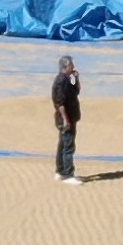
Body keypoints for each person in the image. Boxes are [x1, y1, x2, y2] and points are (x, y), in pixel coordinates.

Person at [50, 54, 83, 185]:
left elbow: (76, 90)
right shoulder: (61, 81)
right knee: (68, 146)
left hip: (71, 116)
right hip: (66, 118)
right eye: (71, 65)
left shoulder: (69, 78)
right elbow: (60, 103)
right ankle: (68, 174)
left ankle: (60, 171)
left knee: (63, 144)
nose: (73, 67)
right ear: (65, 67)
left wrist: (75, 78)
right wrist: (65, 120)